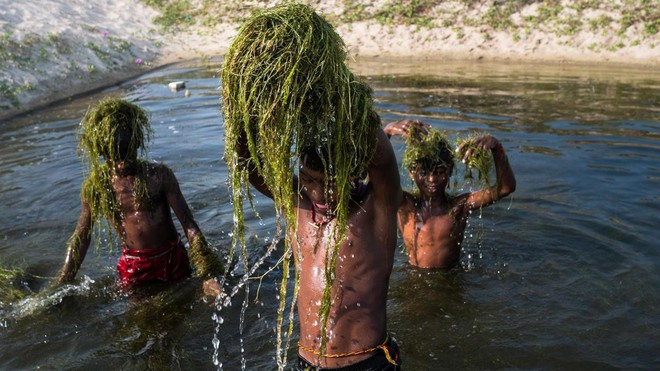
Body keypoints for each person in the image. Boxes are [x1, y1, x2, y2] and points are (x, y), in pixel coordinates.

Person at [222, 4, 403, 369]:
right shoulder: (297, 205)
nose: (318, 193)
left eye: (328, 183)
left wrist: (336, 91)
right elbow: (246, 163)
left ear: (354, 172)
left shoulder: (377, 209)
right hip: (306, 361)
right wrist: (244, 106)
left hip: (365, 362)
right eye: (308, 181)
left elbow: (381, 158)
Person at [55, 97, 223, 293]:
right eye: (116, 157)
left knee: (184, 305)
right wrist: (63, 281)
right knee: (138, 316)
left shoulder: (159, 176)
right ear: (101, 151)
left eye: (128, 154)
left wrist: (208, 272)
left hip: (172, 258)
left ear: (138, 144)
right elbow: (82, 236)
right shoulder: (96, 187)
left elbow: (189, 224)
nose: (123, 164)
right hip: (134, 266)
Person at [384, 119, 516, 269]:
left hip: (450, 277)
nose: (432, 179)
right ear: (411, 173)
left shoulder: (459, 207)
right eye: (423, 173)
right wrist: (386, 132)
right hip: (414, 276)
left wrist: (496, 148)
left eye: (439, 172)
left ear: (450, 172)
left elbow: (505, 188)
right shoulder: (405, 204)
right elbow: (376, 178)